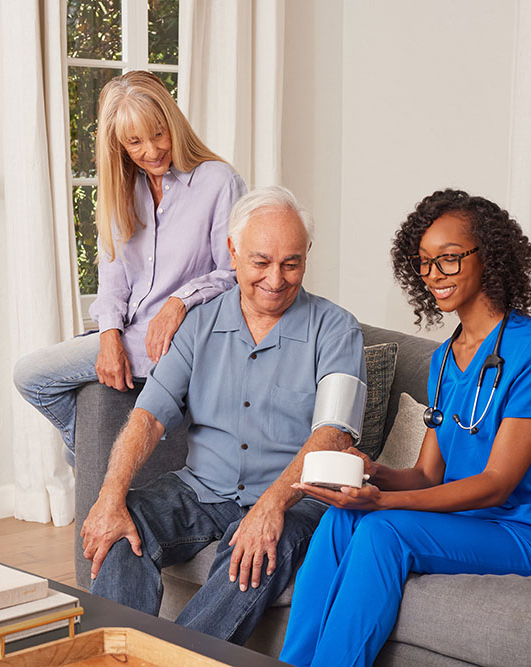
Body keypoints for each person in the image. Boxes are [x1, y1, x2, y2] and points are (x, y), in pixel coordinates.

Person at [280, 189, 531, 667]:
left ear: (489, 257)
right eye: (424, 262)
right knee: (342, 517)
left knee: (385, 530)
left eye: (448, 259)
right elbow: (429, 475)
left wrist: (383, 502)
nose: (433, 275)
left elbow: (496, 485)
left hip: (530, 529)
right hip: (463, 520)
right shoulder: (444, 359)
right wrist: (372, 473)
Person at [80, 186, 366, 644]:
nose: (276, 278)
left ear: (307, 255)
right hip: (202, 489)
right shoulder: (199, 323)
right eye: (261, 262)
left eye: (291, 263)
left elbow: (333, 433)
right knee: (119, 526)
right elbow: (149, 416)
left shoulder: (336, 330)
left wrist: (270, 507)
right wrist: (110, 497)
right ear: (232, 251)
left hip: (294, 498)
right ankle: (119, 655)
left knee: (251, 551)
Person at [13, 71, 246, 466]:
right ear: (118, 144)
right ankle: (88, 460)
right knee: (33, 377)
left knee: (32, 375)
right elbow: (113, 279)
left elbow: (236, 272)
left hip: (182, 341)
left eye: (158, 134)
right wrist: (108, 336)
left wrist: (179, 301)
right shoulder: (122, 189)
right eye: (134, 142)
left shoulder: (219, 181)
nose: (152, 150)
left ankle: (86, 463)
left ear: (173, 124)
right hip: (131, 336)